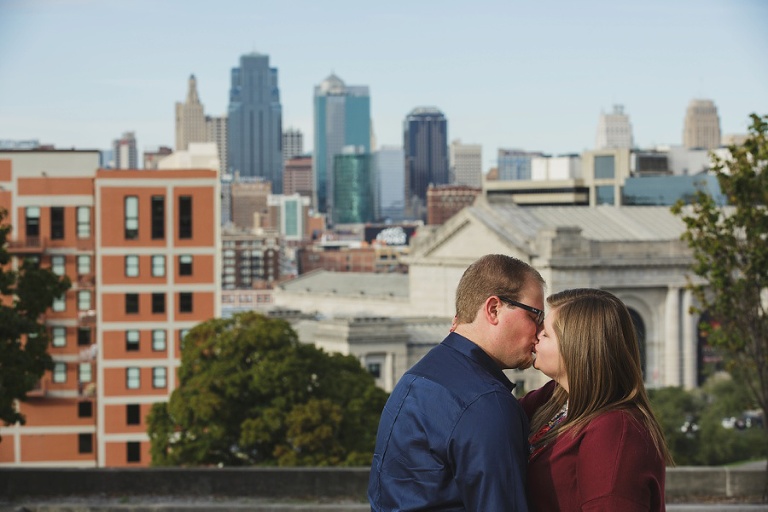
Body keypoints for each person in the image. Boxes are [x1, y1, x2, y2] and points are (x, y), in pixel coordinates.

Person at [368, 254, 545, 511]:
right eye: (535, 316)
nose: (540, 331)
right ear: (494, 309)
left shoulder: (415, 377)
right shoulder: (487, 403)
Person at [520, 288, 672, 512]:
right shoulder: (554, 399)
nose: (536, 335)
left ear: (576, 348)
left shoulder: (616, 430)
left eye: (546, 334)